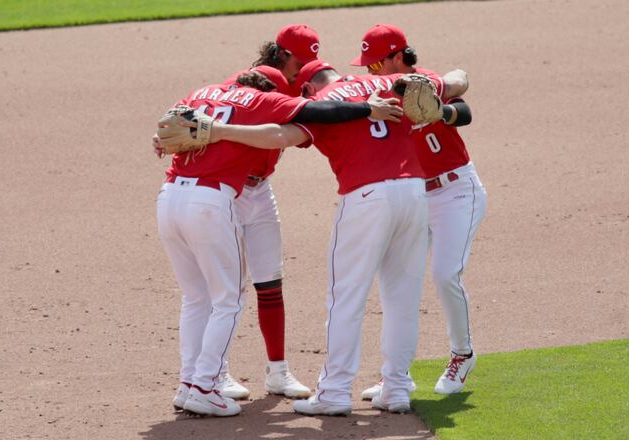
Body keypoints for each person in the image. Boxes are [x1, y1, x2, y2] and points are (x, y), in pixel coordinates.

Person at [180, 60, 472, 415]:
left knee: (345, 298)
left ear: (306, 90)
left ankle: (334, 392)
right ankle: (396, 389)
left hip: (366, 198)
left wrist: (219, 131)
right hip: (414, 194)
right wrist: (434, 98)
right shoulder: (390, 82)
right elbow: (459, 79)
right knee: (402, 298)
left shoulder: (324, 105)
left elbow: (279, 136)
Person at [155, 67, 403, 417]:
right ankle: (204, 385)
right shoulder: (260, 100)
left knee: (196, 298)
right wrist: (366, 108)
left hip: (168, 198)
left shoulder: (202, 94)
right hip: (209, 202)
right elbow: (316, 111)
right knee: (228, 300)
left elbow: (163, 130)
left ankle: (187, 383)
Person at [351, 24, 486, 398]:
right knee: (398, 282)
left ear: (399, 56)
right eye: (366, 65)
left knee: (445, 274)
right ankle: (396, 373)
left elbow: (463, 94)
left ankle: (463, 354)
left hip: (457, 191)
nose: (369, 71)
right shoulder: (376, 93)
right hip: (414, 198)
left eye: (376, 63)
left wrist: (441, 110)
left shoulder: (423, 82)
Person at [195, 24, 321, 400]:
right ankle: (217, 374)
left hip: (260, 191)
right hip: (227, 191)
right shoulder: (244, 84)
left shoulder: (299, 90)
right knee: (224, 289)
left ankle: (278, 372)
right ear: (280, 54)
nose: (302, 70)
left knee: (269, 280)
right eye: (299, 61)